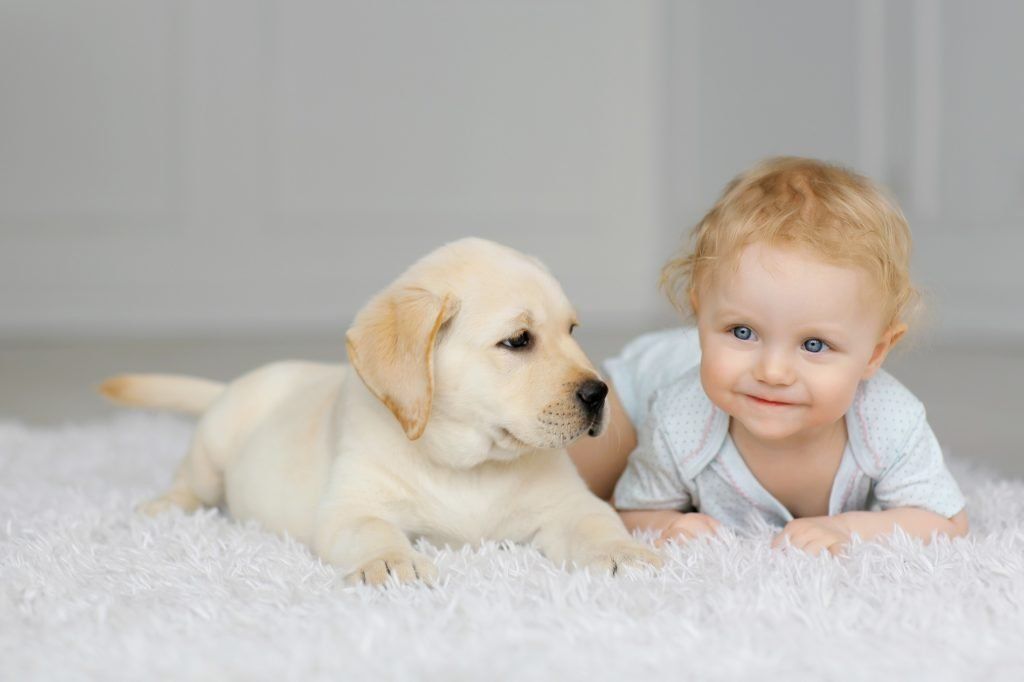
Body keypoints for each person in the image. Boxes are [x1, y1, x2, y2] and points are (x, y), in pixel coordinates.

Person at [569, 157, 968, 555]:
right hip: (642, 388)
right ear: (701, 319)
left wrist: (848, 529)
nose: (773, 372)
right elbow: (631, 511)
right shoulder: (678, 418)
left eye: (814, 345)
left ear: (875, 353)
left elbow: (947, 520)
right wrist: (671, 523)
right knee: (578, 487)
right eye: (742, 332)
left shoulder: (888, 421)